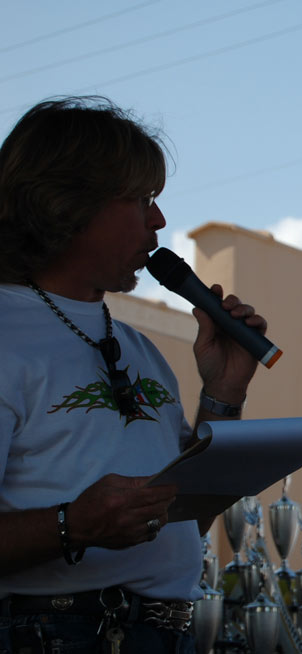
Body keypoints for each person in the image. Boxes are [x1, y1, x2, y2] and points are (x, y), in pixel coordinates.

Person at [0, 97, 270, 653]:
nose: (159, 221)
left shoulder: (139, 348)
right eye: (142, 199)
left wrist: (224, 392)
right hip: (50, 633)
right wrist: (72, 525)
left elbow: (182, 520)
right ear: (67, 204)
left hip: (164, 633)